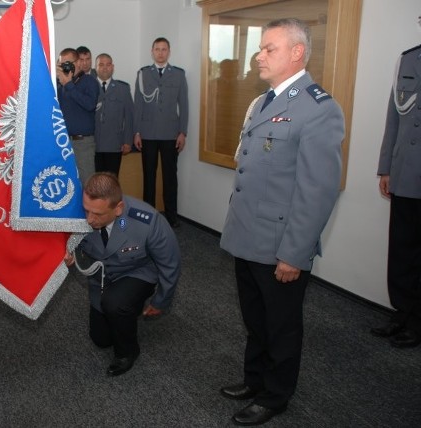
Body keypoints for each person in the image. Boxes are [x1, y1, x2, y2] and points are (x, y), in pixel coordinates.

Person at [219, 18, 344, 426]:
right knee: (255, 320)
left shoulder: (318, 109)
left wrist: (294, 253)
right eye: (260, 47)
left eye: (269, 48)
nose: (259, 54)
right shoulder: (265, 101)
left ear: (296, 53)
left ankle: (276, 395)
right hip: (248, 237)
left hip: (280, 246)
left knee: (282, 327)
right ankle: (254, 379)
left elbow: (317, 192)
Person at [65, 172, 180, 377]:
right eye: (86, 211)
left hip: (136, 272)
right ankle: (127, 308)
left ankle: (128, 352)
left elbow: (170, 265)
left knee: (115, 304)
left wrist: (161, 301)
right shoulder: (80, 212)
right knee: (101, 340)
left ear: (118, 209)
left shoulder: (148, 221)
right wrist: (68, 254)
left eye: (97, 214)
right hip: (101, 276)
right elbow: (68, 243)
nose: (89, 220)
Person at [372, 43, 421, 349]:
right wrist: (386, 167)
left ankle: (418, 322)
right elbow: (394, 115)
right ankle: (402, 313)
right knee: (402, 248)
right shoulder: (408, 59)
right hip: (405, 171)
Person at [133, 37, 188, 228]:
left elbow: (184, 105)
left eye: (164, 49)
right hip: (147, 133)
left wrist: (183, 132)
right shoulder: (143, 74)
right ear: (152, 51)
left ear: (169, 52)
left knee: (170, 177)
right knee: (149, 176)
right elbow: (137, 105)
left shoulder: (179, 75)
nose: (161, 53)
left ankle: (172, 217)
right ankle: (147, 217)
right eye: (157, 49)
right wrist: (136, 132)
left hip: (170, 134)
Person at [57, 47, 99, 184]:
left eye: (68, 63)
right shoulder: (60, 83)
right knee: (67, 182)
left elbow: (90, 104)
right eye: (63, 64)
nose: (66, 66)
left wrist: (69, 85)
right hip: (63, 142)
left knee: (86, 183)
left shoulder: (89, 81)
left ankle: (88, 207)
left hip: (83, 143)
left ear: (78, 63)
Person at [94, 53, 133, 176]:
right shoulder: (89, 87)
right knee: (95, 182)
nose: (105, 68)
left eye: (108, 64)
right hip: (93, 144)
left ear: (113, 67)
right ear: (96, 68)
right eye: (101, 64)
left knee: (112, 181)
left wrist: (128, 141)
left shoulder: (123, 89)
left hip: (114, 144)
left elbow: (129, 116)